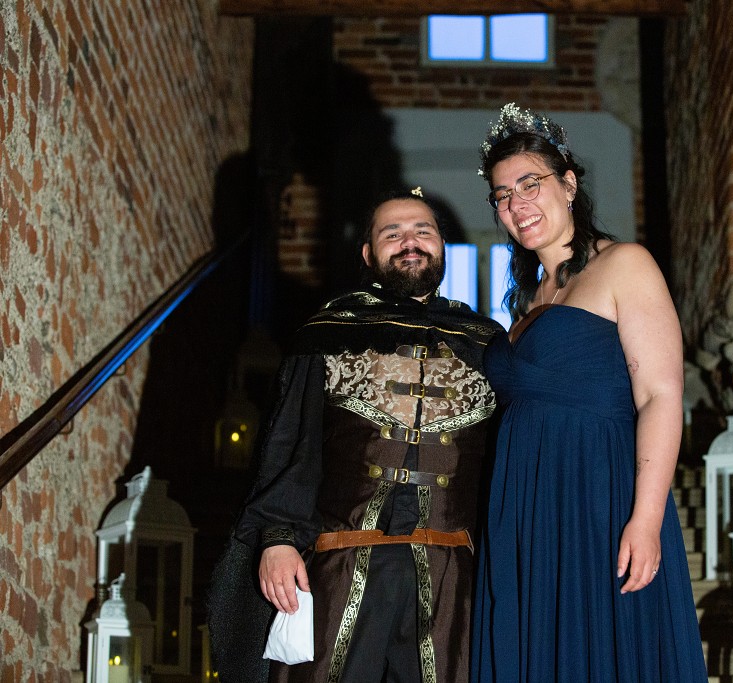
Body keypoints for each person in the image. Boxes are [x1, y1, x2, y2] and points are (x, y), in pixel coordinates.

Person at [211, 189, 504, 683]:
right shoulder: (328, 333)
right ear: (368, 254)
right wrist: (277, 539)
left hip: (452, 578)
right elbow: (291, 445)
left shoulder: (485, 342)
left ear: (441, 246)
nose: (410, 242)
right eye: (393, 233)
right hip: (341, 566)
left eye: (423, 231)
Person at [470, 104, 708, 681]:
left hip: (599, 493)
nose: (517, 204)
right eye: (502, 195)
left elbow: (659, 394)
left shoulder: (625, 263)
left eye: (530, 184)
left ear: (569, 184)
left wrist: (645, 517)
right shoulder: (528, 301)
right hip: (526, 509)